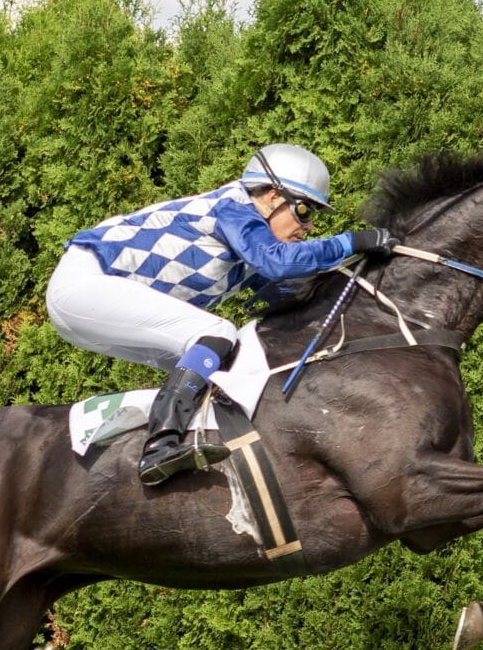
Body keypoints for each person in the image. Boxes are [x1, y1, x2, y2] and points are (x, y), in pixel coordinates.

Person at [47, 144, 395, 485]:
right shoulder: (234, 208)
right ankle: (159, 445)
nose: (308, 226)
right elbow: (277, 262)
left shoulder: (246, 243)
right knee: (217, 332)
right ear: (273, 196)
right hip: (83, 283)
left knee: (220, 369)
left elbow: (285, 286)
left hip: (87, 304)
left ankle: (165, 447)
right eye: (304, 211)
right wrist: (352, 242)